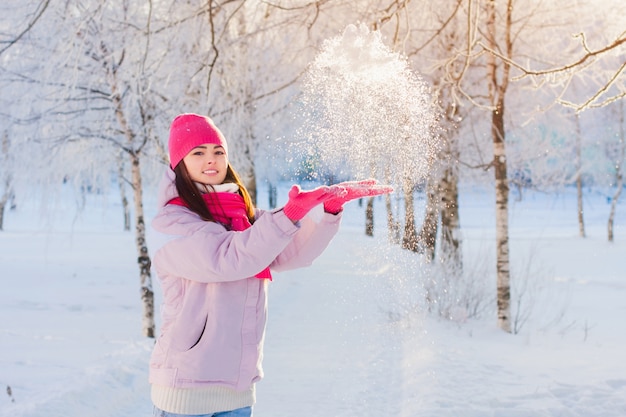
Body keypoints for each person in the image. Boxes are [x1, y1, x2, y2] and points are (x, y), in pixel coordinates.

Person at [149, 113, 392, 417]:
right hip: (186, 387)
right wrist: (288, 214)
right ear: (179, 163)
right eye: (198, 153)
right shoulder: (171, 223)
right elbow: (229, 258)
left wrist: (328, 210)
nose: (211, 160)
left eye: (218, 152)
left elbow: (291, 250)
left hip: (237, 387)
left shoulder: (240, 216)